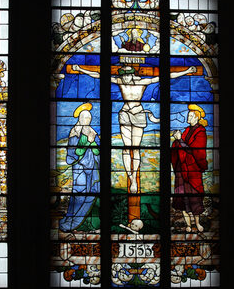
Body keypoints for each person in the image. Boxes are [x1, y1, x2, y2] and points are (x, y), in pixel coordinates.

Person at [72, 63, 195, 193]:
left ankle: (134, 179)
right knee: (126, 148)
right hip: (125, 113)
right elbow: (98, 75)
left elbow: (165, 76)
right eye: (122, 76)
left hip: (138, 114)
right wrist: (80, 69)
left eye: (126, 76)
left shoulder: (143, 82)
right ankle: (131, 178)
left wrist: (186, 70)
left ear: (132, 74)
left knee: (135, 149)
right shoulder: (119, 81)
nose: (124, 79)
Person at [59, 103, 101, 232]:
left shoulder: (93, 132)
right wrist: (87, 141)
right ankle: (72, 222)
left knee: (92, 193)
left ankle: (86, 222)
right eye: (85, 119)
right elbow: (74, 154)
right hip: (79, 169)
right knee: (79, 194)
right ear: (80, 119)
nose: (87, 121)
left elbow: (98, 152)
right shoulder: (75, 132)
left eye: (89, 119)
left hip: (92, 168)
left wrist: (92, 141)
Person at [171, 104, 209, 233]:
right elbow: (181, 147)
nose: (188, 116)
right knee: (182, 199)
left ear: (197, 117)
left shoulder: (201, 132)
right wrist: (177, 141)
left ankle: (197, 224)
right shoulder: (187, 130)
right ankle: (188, 225)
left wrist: (180, 140)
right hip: (182, 170)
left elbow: (195, 151)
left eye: (191, 115)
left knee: (194, 198)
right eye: (188, 114)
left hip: (192, 171)